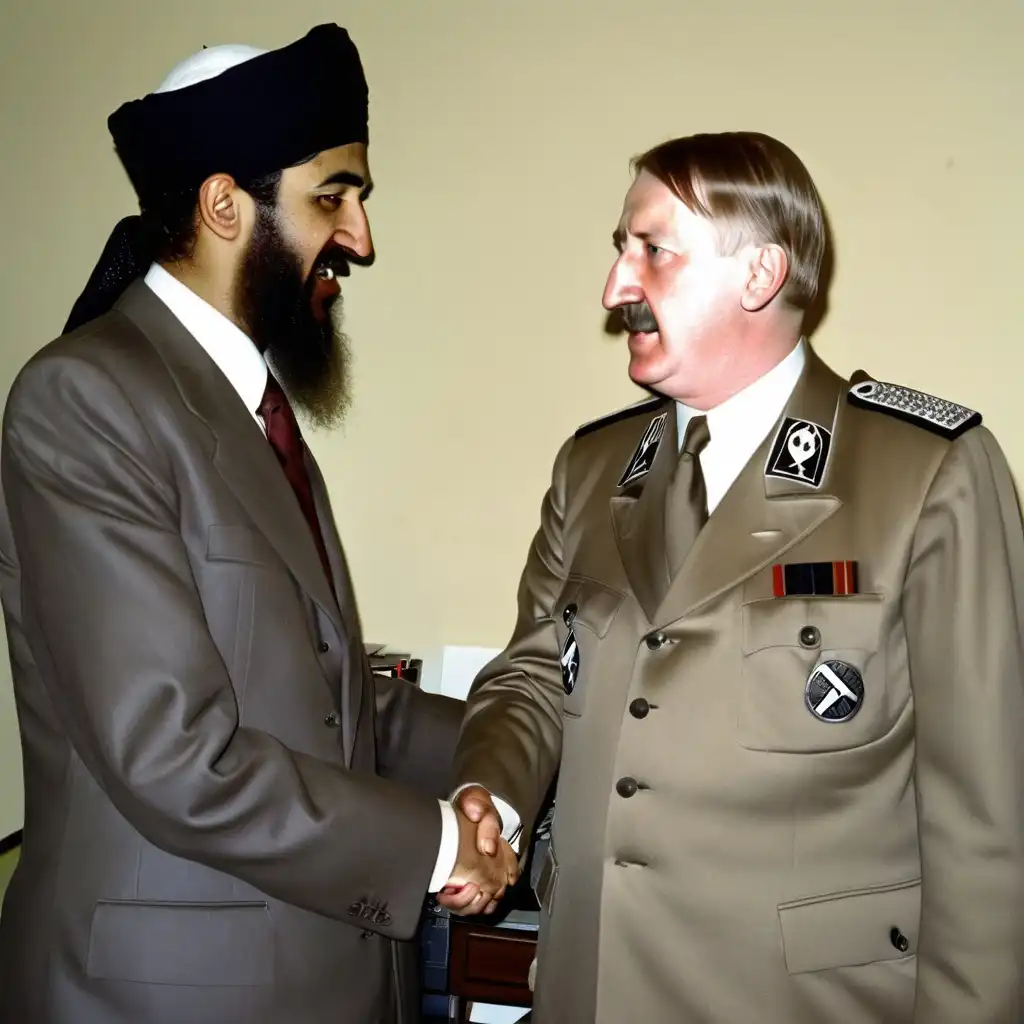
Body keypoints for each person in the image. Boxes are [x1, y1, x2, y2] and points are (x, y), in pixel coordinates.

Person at [0, 24, 515, 1024]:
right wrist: (442, 846)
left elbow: (329, 702)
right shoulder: (88, 399)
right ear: (224, 203)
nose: (360, 238)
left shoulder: (247, 409)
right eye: (333, 197)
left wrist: (532, 743)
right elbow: (173, 753)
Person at [446, 131, 1024, 1022]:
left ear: (759, 275)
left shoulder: (925, 473)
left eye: (653, 251)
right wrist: (493, 796)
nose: (615, 287)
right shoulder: (591, 469)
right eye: (620, 249)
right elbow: (532, 677)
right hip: (587, 989)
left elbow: (986, 823)